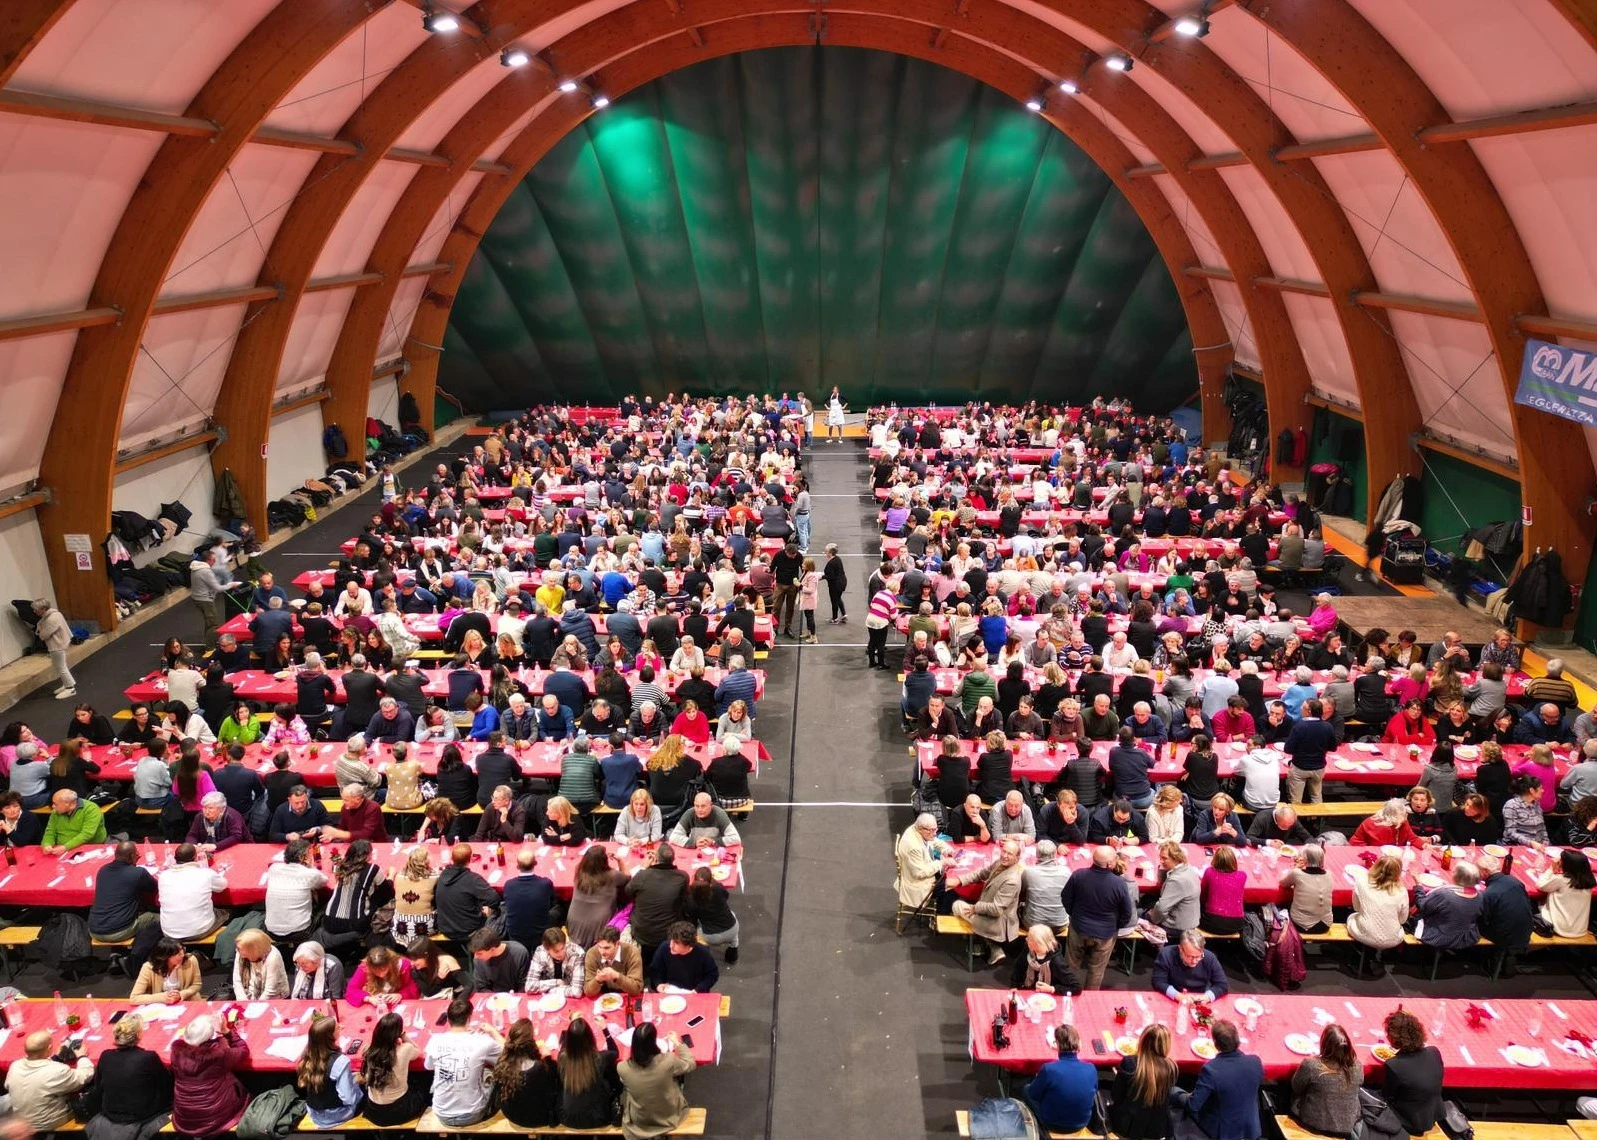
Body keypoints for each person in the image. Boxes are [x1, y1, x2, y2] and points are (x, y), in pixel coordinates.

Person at [87, 1014, 173, 1140]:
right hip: (143, 1114)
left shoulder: (105, 1055)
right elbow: (166, 1082)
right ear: (138, 1035)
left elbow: (99, 1087)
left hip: (111, 1110)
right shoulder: (148, 1057)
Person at [1060, 845, 1135, 989]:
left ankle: (1069, 991)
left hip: (1079, 928)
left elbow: (1065, 898)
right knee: (1097, 970)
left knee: (1071, 964)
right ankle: (1090, 997)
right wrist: (1114, 926)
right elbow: (1127, 913)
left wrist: (1074, 914)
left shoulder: (1078, 875)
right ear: (1109, 864)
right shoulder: (1119, 884)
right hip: (1105, 934)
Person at [425, 996, 504, 1127]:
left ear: (448, 1019)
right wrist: (493, 1031)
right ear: (469, 1018)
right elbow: (507, 1052)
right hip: (473, 1113)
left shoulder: (435, 1040)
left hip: (442, 1113)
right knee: (495, 1075)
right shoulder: (481, 1041)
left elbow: (428, 1067)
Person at [1178, 1019, 1262, 1140]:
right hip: (1250, 1127)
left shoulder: (1211, 1070)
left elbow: (1193, 1106)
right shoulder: (1255, 1062)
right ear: (1237, 1039)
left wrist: (1179, 1095)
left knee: (1174, 1092)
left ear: (1216, 1044)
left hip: (1222, 1131)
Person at [947, 837, 1025, 965]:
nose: (1004, 856)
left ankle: (985, 942)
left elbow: (996, 910)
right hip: (988, 912)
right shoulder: (1000, 863)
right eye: (1003, 851)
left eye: (1009, 854)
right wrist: (960, 880)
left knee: (957, 905)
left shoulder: (1012, 880)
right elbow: (981, 873)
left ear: (1017, 858)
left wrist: (976, 908)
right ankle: (988, 945)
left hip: (997, 922)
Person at [169, 1014, 251, 1136]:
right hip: (215, 1119)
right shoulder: (217, 1056)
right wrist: (226, 1032)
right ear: (209, 1038)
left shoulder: (176, 1053)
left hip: (184, 1119)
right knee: (250, 1086)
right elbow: (243, 1050)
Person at [618, 1022, 698, 1140]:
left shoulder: (622, 1068)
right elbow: (690, 1064)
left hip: (640, 1121)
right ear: (653, 1042)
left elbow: (624, 1082)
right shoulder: (668, 1061)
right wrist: (677, 1043)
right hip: (669, 1117)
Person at [5, 1028, 95, 1132]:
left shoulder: (15, 1066)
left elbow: (8, 1085)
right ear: (50, 1048)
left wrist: (55, 1057)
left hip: (22, 1125)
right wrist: (82, 1056)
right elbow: (84, 1076)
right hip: (50, 1125)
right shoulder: (56, 1071)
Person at [1380, 1010, 1444, 1137]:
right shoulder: (1434, 1052)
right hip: (1433, 1113)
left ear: (1394, 1037)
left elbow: (1387, 1095)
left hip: (1410, 1120)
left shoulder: (1394, 1065)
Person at [1290, 1024, 1361, 1137]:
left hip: (1313, 1125)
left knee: (1287, 1095)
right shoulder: (1358, 1066)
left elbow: (1296, 1087)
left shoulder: (1311, 1065)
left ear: (1324, 1044)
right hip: (1347, 1128)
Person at [1024, 1024, 1098, 1134]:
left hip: (1051, 1123)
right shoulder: (1091, 1069)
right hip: (1082, 1122)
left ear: (1057, 1044)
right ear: (1078, 1044)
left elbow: (1033, 1094)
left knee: (1026, 1089)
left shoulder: (1048, 1069)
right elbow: (1094, 1091)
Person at [1110, 1024, 1178, 1140]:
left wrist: (1120, 1077)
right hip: (1155, 1129)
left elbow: (1116, 1097)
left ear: (1143, 1040)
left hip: (1127, 1127)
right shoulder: (1171, 1068)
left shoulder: (1130, 1063)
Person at [359, 1012, 429, 1126]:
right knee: (425, 1083)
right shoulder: (405, 1049)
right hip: (399, 1110)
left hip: (373, 1111)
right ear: (397, 1034)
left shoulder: (368, 1050)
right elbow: (418, 1050)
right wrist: (405, 1036)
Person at [490, 1019, 561, 1129]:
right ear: (531, 1041)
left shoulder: (502, 1063)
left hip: (512, 1114)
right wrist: (548, 1057)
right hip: (540, 1117)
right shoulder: (543, 1067)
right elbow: (554, 1084)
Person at [556, 1015, 621, 1130]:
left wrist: (572, 1029)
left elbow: (565, 1046)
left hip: (567, 1118)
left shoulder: (562, 1057)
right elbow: (615, 1052)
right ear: (590, 1038)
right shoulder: (599, 1059)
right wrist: (605, 1029)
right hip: (596, 1118)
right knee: (609, 1078)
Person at [627, 844, 689, 964]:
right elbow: (683, 898)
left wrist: (644, 868)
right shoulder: (683, 877)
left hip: (643, 933)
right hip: (667, 933)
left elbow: (628, 891)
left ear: (656, 859)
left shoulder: (643, 875)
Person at [297, 1014, 362, 1128]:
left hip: (314, 1112)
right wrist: (357, 1084)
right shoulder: (341, 1061)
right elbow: (349, 1099)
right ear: (330, 1036)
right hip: (336, 1114)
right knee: (364, 1090)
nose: (341, 1027)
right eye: (337, 1027)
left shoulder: (307, 1054)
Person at [89, 840, 158, 942]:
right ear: (132, 856)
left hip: (94, 930)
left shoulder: (102, 870)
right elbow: (154, 887)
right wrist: (134, 865)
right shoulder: (138, 873)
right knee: (158, 918)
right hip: (119, 931)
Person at [157, 843, 228, 941]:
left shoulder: (163, 876)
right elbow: (223, 885)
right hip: (199, 930)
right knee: (227, 912)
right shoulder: (205, 874)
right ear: (195, 858)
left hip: (169, 932)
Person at [265, 837, 327, 941]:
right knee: (326, 904)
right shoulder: (309, 874)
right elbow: (323, 881)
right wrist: (311, 866)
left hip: (271, 931)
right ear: (304, 857)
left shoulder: (274, 868)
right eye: (309, 853)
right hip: (300, 932)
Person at [436, 842, 501, 941]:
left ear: (452, 859)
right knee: (501, 908)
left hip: (445, 927)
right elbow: (495, 900)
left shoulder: (441, 876)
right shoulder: (473, 879)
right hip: (467, 930)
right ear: (470, 859)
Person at [1415, 860, 1482, 951]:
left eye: (1454, 871)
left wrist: (1418, 885)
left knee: (1414, 915)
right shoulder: (1479, 895)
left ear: (1458, 877)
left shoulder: (1444, 894)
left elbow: (1422, 906)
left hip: (1441, 937)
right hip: (1466, 937)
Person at [686, 865, 740, 965]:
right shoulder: (718, 888)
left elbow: (692, 921)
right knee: (731, 915)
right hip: (732, 929)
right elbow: (726, 896)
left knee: (693, 930)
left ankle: (703, 958)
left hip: (711, 936)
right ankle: (733, 950)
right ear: (711, 880)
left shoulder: (691, 900)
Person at [1536, 848, 1595, 938]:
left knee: (1534, 904)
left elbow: (1541, 885)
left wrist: (1551, 869)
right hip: (1580, 929)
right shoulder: (1589, 881)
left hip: (1559, 928)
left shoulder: (1562, 880)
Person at [1153, 930, 1228, 999]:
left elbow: (1222, 985)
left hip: (1200, 996)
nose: (1194, 961)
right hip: (1173, 995)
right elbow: (1158, 982)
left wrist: (1207, 997)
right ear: (1180, 949)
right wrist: (1177, 995)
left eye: (1199, 956)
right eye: (1190, 956)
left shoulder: (1209, 957)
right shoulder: (1166, 955)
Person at [649, 921, 720, 992]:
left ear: (688, 945)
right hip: (669, 992)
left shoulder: (703, 952)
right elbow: (655, 971)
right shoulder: (664, 948)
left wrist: (698, 989)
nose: (671, 945)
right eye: (671, 940)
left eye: (676, 943)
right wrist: (658, 984)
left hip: (694, 993)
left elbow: (712, 975)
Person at [1280, 845, 1333, 934]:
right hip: (1326, 924)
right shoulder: (1329, 874)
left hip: (1303, 925)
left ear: (1305, 859)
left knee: (1282, 905)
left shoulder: (1297, 873)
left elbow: (1282, 882)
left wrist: (1293, 868)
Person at [349, 944, 421, 1006]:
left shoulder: (403, 965)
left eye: (383, 970)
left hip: (398, 1004)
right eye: (376, 972)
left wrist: (401, 995)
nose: (381, 975)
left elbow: (413, 987)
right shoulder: (365, 967)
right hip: (376, 1002)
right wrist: (368, 998)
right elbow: (351, 990)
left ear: (389, 963)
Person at [584, 925, 646, 996]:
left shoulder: (632, 952)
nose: (602, 952)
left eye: (606, 948)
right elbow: (588, 992)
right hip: (604, 997)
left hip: (627, 995)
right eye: (599, 947)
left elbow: (636, 989)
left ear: (617, 944)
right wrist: (598, 980)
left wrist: (616, 976)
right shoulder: (592, 954)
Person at [1199, 846, 1247, 935]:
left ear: (1215, 860)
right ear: (1234, 860)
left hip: (1211, 923)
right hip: (1236, 924)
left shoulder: (1209, 872)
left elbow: (1202, 896)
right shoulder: (1242, 876)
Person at [40, 788, 105, 853]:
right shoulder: (56, 812)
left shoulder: (91, 809)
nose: (53, 806)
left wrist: (65, 847)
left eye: (55, 804)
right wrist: (47, 844)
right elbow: (50, 832)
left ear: (68, 804)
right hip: (60, 849)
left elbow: (87, 834)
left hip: (89, 849)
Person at [525, 927, 586, 995]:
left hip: (568, 996)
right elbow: (529, 986)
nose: (561, 953)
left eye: (563, 948)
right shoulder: (540, 952)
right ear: (547, 950)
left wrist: (552, 991)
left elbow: (577, 991)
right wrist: (556, 982)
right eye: (556, 951)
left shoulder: (577, 953)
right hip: (550, 997)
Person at [470, 926, 532, 992]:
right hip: (493, 998)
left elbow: (524, 983)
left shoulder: (519, 953)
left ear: (492, 949)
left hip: (516, 996)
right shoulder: (478, 960)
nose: (476, 957)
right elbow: (481, 987)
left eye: (479, 953)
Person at [232, 928, 289, 999]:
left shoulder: (273, 957)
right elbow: (237, 981)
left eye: (239, 948)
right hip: (249, 995)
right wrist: (243, 1001)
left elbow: (270, 991)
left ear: (252, 949)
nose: (236, 950)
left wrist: (255, 1007)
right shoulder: (240, 953)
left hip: (274, 997)